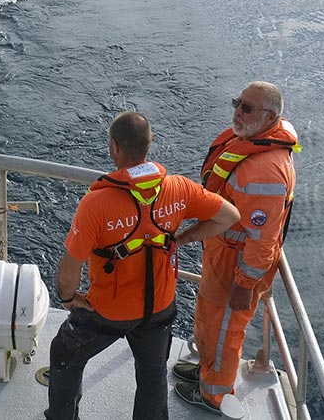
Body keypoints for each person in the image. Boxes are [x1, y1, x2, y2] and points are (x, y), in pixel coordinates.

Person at [46, 112, 241, 420]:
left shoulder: (96, 205)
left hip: (108, 312)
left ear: (114, 146)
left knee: (63, 354)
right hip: (159, 311)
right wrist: (182, 237)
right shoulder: (179, 188)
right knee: (152, 377)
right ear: (150, 144)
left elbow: (70, 268)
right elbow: (229, 216)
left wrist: (69, 299)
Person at [174, 82, 300, 415]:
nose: (237, 112)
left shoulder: (266, 172)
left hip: (236, 264)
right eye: (237, 103)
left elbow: (263, 240)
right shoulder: (249, 141)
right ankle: (206, 372)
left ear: (270, 115)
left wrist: (245, 284)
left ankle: (214, 396)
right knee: (208, 319)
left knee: (225, 331)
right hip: (221, 252)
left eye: (246, 108)